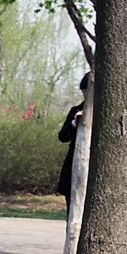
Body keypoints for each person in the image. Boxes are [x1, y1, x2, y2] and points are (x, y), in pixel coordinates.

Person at [56, 73, 89, 215]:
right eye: (84, 91)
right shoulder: (75, 110)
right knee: (73, 212)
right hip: (74, 167)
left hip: (92, 168)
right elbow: (62, 136)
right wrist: (75, 122)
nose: (86, 94)